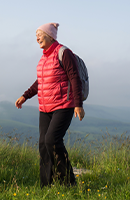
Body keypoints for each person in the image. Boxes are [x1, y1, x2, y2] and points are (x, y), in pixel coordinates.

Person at [15, 22, 85, 188]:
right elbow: (41, 81)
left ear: (50, 36)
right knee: (43, 145)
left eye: (40, 34)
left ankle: (68, 183)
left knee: (52, 140)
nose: (37, 38)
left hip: (63, 105)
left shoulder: (64, 53)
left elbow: (74, 77)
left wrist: (78, 104)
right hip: (45, 108)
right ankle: (46, 185)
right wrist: (25, 96)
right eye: (36, 35)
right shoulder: (44, 57)